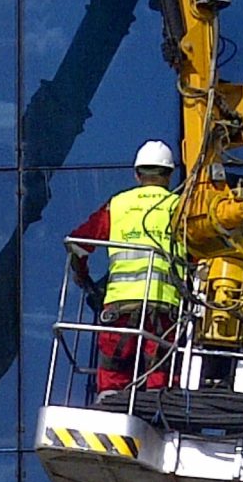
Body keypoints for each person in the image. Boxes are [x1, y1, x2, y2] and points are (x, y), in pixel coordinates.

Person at [69, 140, 185, 401]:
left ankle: (110, 419)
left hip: (120, 307)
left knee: (113, 377)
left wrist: (82, 274)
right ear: (169, 175)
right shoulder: (180, 207)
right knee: (160, 379)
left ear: (136, 174)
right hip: (164, 309)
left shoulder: (118, 205)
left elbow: (77, 245)